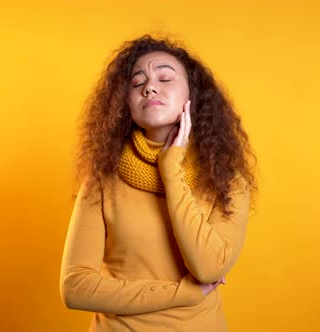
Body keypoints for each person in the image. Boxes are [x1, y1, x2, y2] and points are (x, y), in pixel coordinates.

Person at [59, 34, 256, 331]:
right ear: (126, 104)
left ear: (193, 96)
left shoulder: (227, 180)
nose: (150, 86)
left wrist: (170, 166)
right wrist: (183, 293)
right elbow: (75, 288)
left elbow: (208, 267)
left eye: (165, 78)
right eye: (137, 83)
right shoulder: (103, 178)